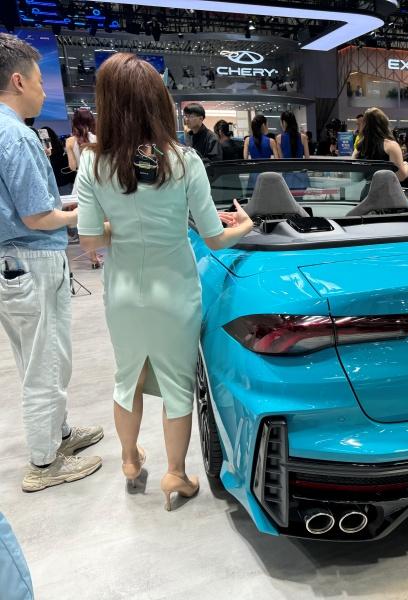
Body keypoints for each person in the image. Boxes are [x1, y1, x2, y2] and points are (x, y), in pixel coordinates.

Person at [76, 53, 253, 509]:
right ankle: (176, 473)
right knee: (177, 384)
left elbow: (90, 239)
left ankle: (129, 460)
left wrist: (124, 228)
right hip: (175, 291)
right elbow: (214, 238)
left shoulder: (93, 164)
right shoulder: (184, 160)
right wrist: (246, 225)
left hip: (122, 293)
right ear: (159, 102)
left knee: (127, 379)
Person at [0, 32, 103, 493]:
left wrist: (67, 205)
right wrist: (89, 212)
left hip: (16, 260)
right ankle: (44, 462)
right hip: (31, 258)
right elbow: (36, 217)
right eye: (41, 81)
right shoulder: (17, 136)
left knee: (41, 357)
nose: (45, 91)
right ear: (19, 81)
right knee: (45, 362)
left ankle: (58, 435)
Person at [66, 108, 101, 268]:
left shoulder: (70, 141)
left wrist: (70, 150)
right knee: (104, 217)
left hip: (81, 181)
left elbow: (72, 167)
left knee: (84, 219)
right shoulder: (97, 139)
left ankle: (93, 258)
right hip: (98, 179)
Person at [352, 107, 408, 184]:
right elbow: (400, 176)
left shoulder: (359, 147)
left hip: (367, 190)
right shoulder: (391, 146)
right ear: (384, 124)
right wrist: (406, 166)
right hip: (386, 190)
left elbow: (355, 177)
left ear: (364, 125)